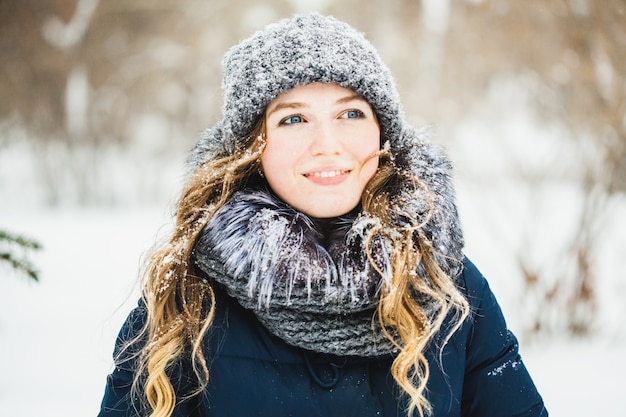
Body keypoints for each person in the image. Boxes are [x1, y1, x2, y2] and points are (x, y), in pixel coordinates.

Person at [98, 13, 547, 417]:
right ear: (253, 148)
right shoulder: (188, 296)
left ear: (382, 133)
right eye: (293, 119)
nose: (328, 144)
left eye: (351, 113)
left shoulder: (449, 283)